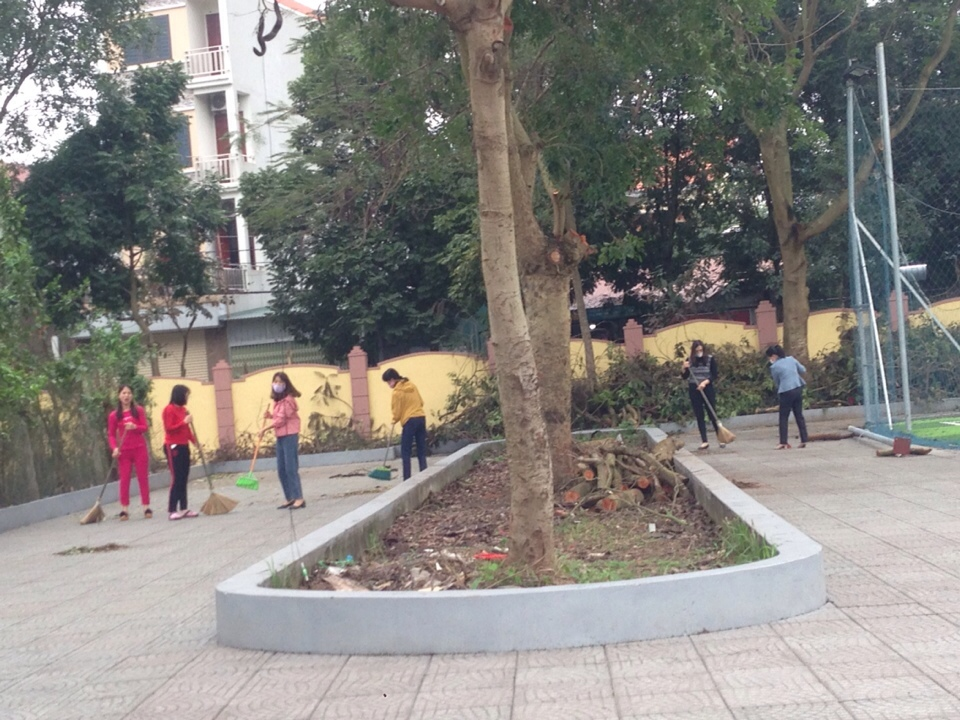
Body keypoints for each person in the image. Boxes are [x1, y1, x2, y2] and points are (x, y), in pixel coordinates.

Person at [107, 385, 152, 520]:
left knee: (143, 477)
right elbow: (111, 435)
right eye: (123, 393)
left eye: (129, 393)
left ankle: (146, 506)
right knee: (124, 479)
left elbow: (144, 427)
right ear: (119, 395)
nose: (126, 396)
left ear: (132, 396)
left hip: (139, 448)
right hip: (124, 451)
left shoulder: (138, 410)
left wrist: (135, 427)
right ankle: (124, 509)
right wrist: (114, 448)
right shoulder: (114, 415)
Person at [261, 371, 305, 509]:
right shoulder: (278, 401)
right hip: (280, 436)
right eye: (275, 381)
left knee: (291, 468)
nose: (277, 384)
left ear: (286, 384)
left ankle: (299, 498)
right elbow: (278, 417)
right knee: (281, 469)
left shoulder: (288, 400)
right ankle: (289, 497)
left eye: (280, 382)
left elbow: (281, 420)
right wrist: (270, 416)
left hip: (290, 435)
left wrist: (264, 429)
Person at [382, 368, 427, 480]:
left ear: (392, 379)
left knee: (405, 451)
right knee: (421, 449)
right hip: (421, 418)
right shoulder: (412, 385)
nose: (388, 385)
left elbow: (397, 412)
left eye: (388, 382)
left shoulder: (397, 392)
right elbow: (421, 402)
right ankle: (425, 474)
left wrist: (394, 420)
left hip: (409, 421)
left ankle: (407, 478)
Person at [162, 384, 199, 520]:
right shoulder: (168, 409)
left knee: (184, 477)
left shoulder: (184, 410)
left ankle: (184, 507)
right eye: (186, 395)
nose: (187, 398)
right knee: (176, 477)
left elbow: (187, 430)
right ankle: (172, 509)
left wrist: (195, 442)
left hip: (184, 445)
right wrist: (183, 422)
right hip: (173, 446)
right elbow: (169, 428)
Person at [766, 344, 809, 449]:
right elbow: (803, 369)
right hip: (797, 388)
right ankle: (804, 439)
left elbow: (777, 381)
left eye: (770, 357)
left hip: (786, 391)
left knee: (783, 417)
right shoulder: (791, 359)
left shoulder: (774, 367)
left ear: (774, 356)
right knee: (799, 415)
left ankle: (783, 442)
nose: (770, 359)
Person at [681, 340, 722, 450]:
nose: (699, 352)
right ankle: (704, 441)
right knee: (699, 415)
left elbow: (714, 375)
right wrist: (683, 368)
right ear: (693, 350)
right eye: (697, 350)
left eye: (701, 349)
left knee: (712, 413)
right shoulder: (689, 360)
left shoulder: (710, 359)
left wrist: (704, 383)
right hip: (694, 389)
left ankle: (720, 438)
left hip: (707, 388)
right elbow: (685, 376)